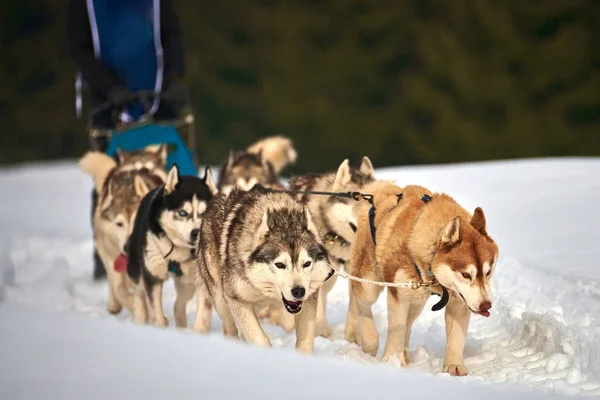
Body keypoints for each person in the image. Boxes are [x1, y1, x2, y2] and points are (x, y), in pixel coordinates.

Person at [67, 0, 189, 280]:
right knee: (109, 182)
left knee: (172, 174)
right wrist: (108, 87)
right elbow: (79, 50)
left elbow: (171, 37)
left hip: (160, 97)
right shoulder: (83, 6)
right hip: (108, 102)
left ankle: (178, 253)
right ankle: (105, 260)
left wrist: (176, 81)